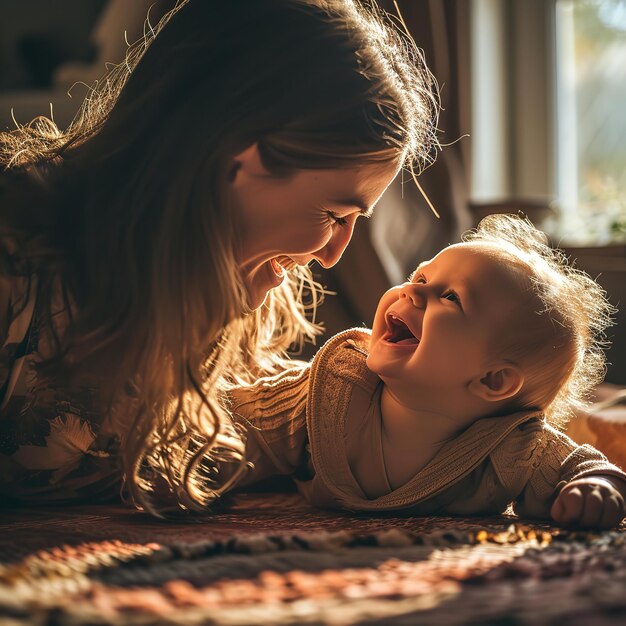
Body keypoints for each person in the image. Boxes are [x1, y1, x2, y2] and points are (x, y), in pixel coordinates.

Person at [0, 0, 440, 515]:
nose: (331, 255)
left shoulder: (238, 291)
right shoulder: (17, 268)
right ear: (235, 163)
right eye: (333, 214)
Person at [230, 215, 626, 529]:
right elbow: (232, 422)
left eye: (450, 297)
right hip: (256, 391)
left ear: (493, 380)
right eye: (420, 277)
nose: (411, 292)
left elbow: (583, 466)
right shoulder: (332, 389)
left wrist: (597, 488)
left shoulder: (509, 447)